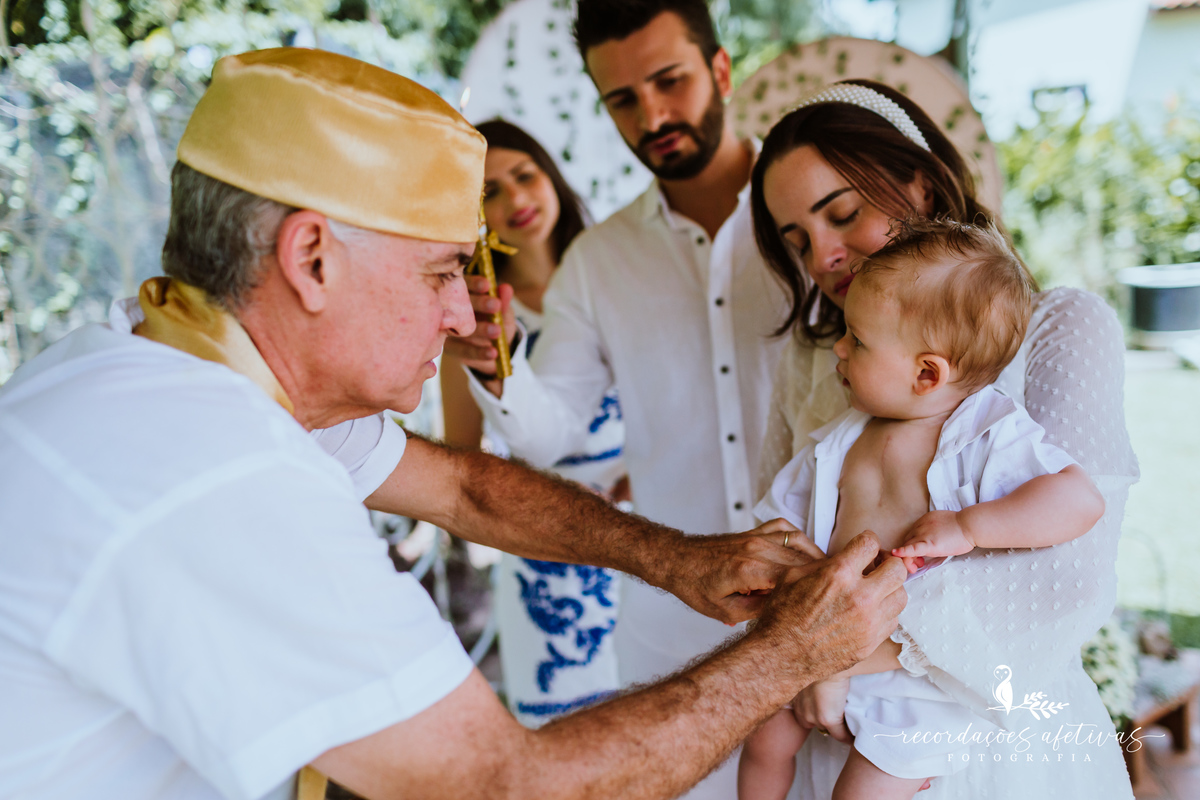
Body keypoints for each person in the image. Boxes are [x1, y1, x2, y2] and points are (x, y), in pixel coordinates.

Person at [0, 48, 910, 800]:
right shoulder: (213, 469)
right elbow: (502, 788)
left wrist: (682, 561)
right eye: (440, 272)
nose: (464, 321)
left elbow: (462, 483)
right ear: (312, 259)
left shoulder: (165, 356)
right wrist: (790, 650)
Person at [750, 80, 1139, 798]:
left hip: (995, 743)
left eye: (843, 214)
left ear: (924, 188)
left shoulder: (1057, 328)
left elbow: (1065, 581)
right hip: (828, 734)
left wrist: (834, 655)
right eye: (797, 240)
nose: (824, 255)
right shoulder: (813, 365)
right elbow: (785, 533)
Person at [449, 5, 792, 792]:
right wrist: (498, 368)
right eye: (623, 100)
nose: (653, 116)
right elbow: (548, 430)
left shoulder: (816, 217)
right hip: (678, 647)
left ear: (723, 71)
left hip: (838, 622)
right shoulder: (597, 264)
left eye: (669, 81)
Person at [440, 118, 628, 726]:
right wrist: (544, 508)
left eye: (526, 175)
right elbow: (462, 473)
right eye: (490, 191)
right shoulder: (474, 327)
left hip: (659, 533)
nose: (517, 199)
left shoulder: (620, 280)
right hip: (548, 564)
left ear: (552, 176)